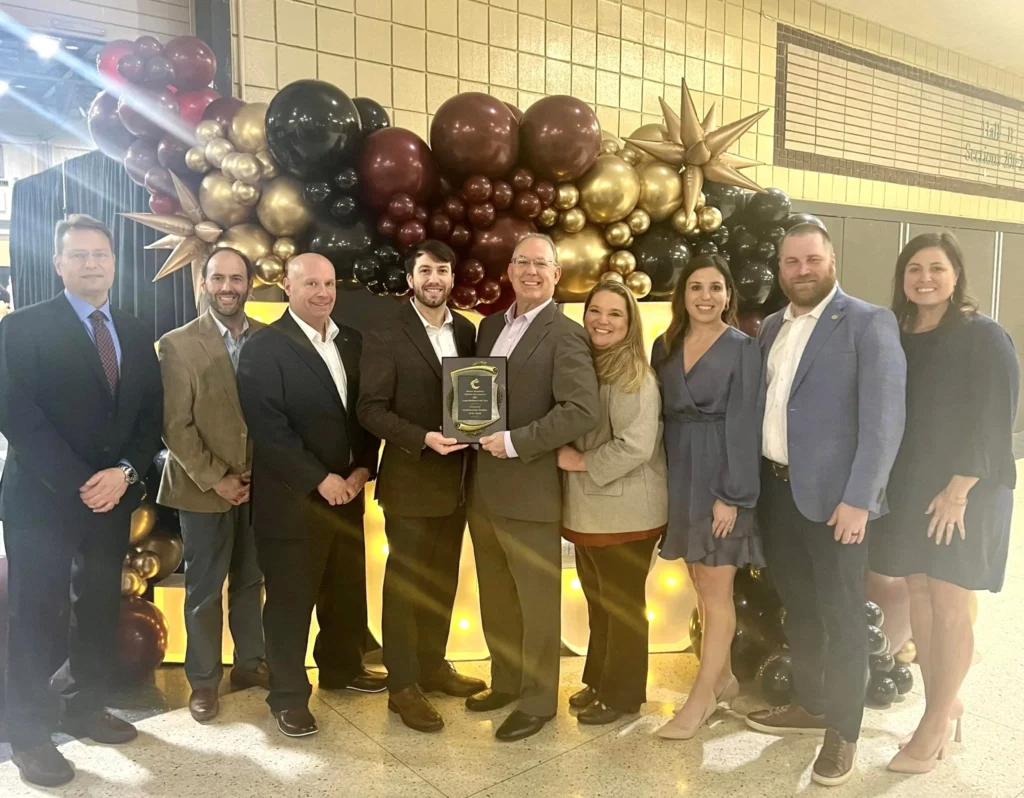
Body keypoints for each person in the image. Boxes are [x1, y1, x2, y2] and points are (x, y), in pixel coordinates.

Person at [0, 214, 163, 786]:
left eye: (101, 254)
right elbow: (18, 417)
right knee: (35, 616)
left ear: (114, 262)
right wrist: (81, 482)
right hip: (42, 499)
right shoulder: (20, 328)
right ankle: (28, 735)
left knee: (97, 607)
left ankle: (85, 704)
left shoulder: (137, 330)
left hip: (113, 496)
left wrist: (122, 473)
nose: (92, 263)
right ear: (58, 263)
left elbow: (149, 417)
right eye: (79, 255)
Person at [745, 223, 906, 787]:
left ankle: (844, 728)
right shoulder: (771, 327)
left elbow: (884, 423)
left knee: (842, 617)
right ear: (780, 269)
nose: (802, 270)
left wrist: (860, 499)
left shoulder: (867, 322)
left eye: (812, 259)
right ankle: (812, 703)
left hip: (839, 504)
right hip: (779, 495)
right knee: (802, 608)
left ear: (831, 260)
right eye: (791, 262)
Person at [870, 233, 1018, 774]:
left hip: (965, 490)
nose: (925, 278)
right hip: (911, 484)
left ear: (956, 276)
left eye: (937, 268)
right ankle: (944, 704)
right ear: (902, 278)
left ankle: (933, 726)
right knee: (918, 592)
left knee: (950, 602)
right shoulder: (894, 334)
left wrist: (958, 489)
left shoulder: (983, 335)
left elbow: (996, 419)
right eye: (914, 268)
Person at [237, 253, 383, 739]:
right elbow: (270, 430)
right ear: (287, 286)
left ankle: (343, 669)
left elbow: (363, 413)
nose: (322, 293)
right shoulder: (265, 346)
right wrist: (321, 480)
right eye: (311, 284)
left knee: (345, 592)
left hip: (348, 494)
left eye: (329, 284)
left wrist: (364, 467)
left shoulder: (353, 343)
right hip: (293, 502)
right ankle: (288, 697)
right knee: (290, 603)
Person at [465, 233, 599, 742]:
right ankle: (506, 681)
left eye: (541, 264)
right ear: (510, 269)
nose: (530, 271)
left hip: (531, 490)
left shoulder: (565, 334)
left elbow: (580, 410)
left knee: (537, 602)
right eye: (522, 262)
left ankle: (540, 700)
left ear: (556, 275)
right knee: (496, 594)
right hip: (483, 487)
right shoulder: (490, 326)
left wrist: (517, 442)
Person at [357, 240, 485, 732]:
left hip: (459, 483)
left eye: (443, 271)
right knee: (406, 584)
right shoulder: (386, 333)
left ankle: (432, 667)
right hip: (411, 480)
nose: (435, 279)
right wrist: (424, 438)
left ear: (453, 279)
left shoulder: (469, 330)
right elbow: (370, 409)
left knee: (442, 579)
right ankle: (402, 685)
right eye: (425, 271)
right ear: (411, 279)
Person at [650, 255, 763, 740]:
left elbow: (746, 425)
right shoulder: (665, 344)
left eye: (715, 288)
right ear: (683, 295)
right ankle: (725, 679)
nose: (705, 297)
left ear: (728, 295)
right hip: (679, 474)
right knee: (699, 581)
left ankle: (700, 700)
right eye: (696, 287)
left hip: (722, 476)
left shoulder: (743, 348)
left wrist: (732, 495)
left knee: (717, 592)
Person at [157, 248, 269, 724]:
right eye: (218, 278)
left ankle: (249, 665)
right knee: (204, 590)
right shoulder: (176, 344)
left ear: (249, 284)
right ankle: (203, 680)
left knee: (251, 581)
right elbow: (174, 426)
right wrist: (218, 479)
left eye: (237, 278)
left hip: (260, 487)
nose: (228, 287)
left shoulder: (269, 339)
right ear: (203, 283)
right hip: (203, 489)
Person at [556, 281, 667, 726]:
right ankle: (600, 680)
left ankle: (622, 696)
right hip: (591, 511)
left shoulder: (633, 375)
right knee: (600, 602)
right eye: (594, 311)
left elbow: (637, 446)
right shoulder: (590, 367)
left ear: (630, 323)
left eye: (614, 314)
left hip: (626, 513)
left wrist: (579, 461)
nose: (602, 321)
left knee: (621, 607)